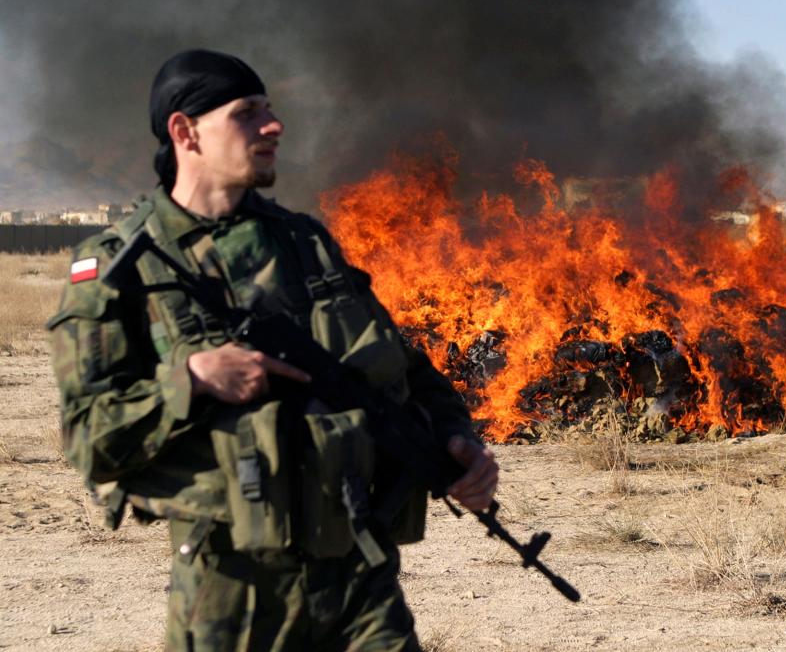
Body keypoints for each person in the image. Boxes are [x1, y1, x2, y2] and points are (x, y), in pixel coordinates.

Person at [47, 49, 498, 652]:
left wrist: (456, 440)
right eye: (247, 112)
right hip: (234, 594)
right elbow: (88, 440)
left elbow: (404, 370)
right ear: (186, 131)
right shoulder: (116, 268)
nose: (273, 124)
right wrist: (192, 379)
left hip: (361, 580)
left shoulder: (305, 243)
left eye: (270, 109)